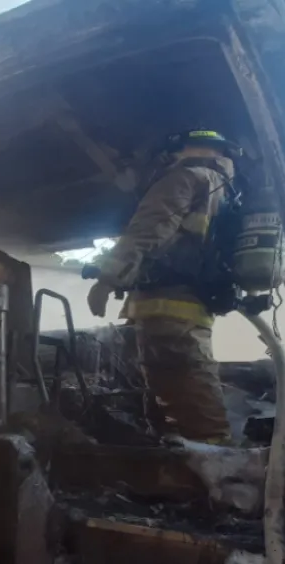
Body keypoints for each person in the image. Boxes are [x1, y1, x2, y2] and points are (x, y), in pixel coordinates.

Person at [86, 130, 238, 444]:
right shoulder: (225, 189)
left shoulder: (186, 178)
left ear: (186, 148)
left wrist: (108, 279)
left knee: (187, 390)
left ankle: (220, 468)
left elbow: (151, 228)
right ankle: (196, 455)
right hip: (191, 303)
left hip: (166, 303)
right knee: (178, 386)